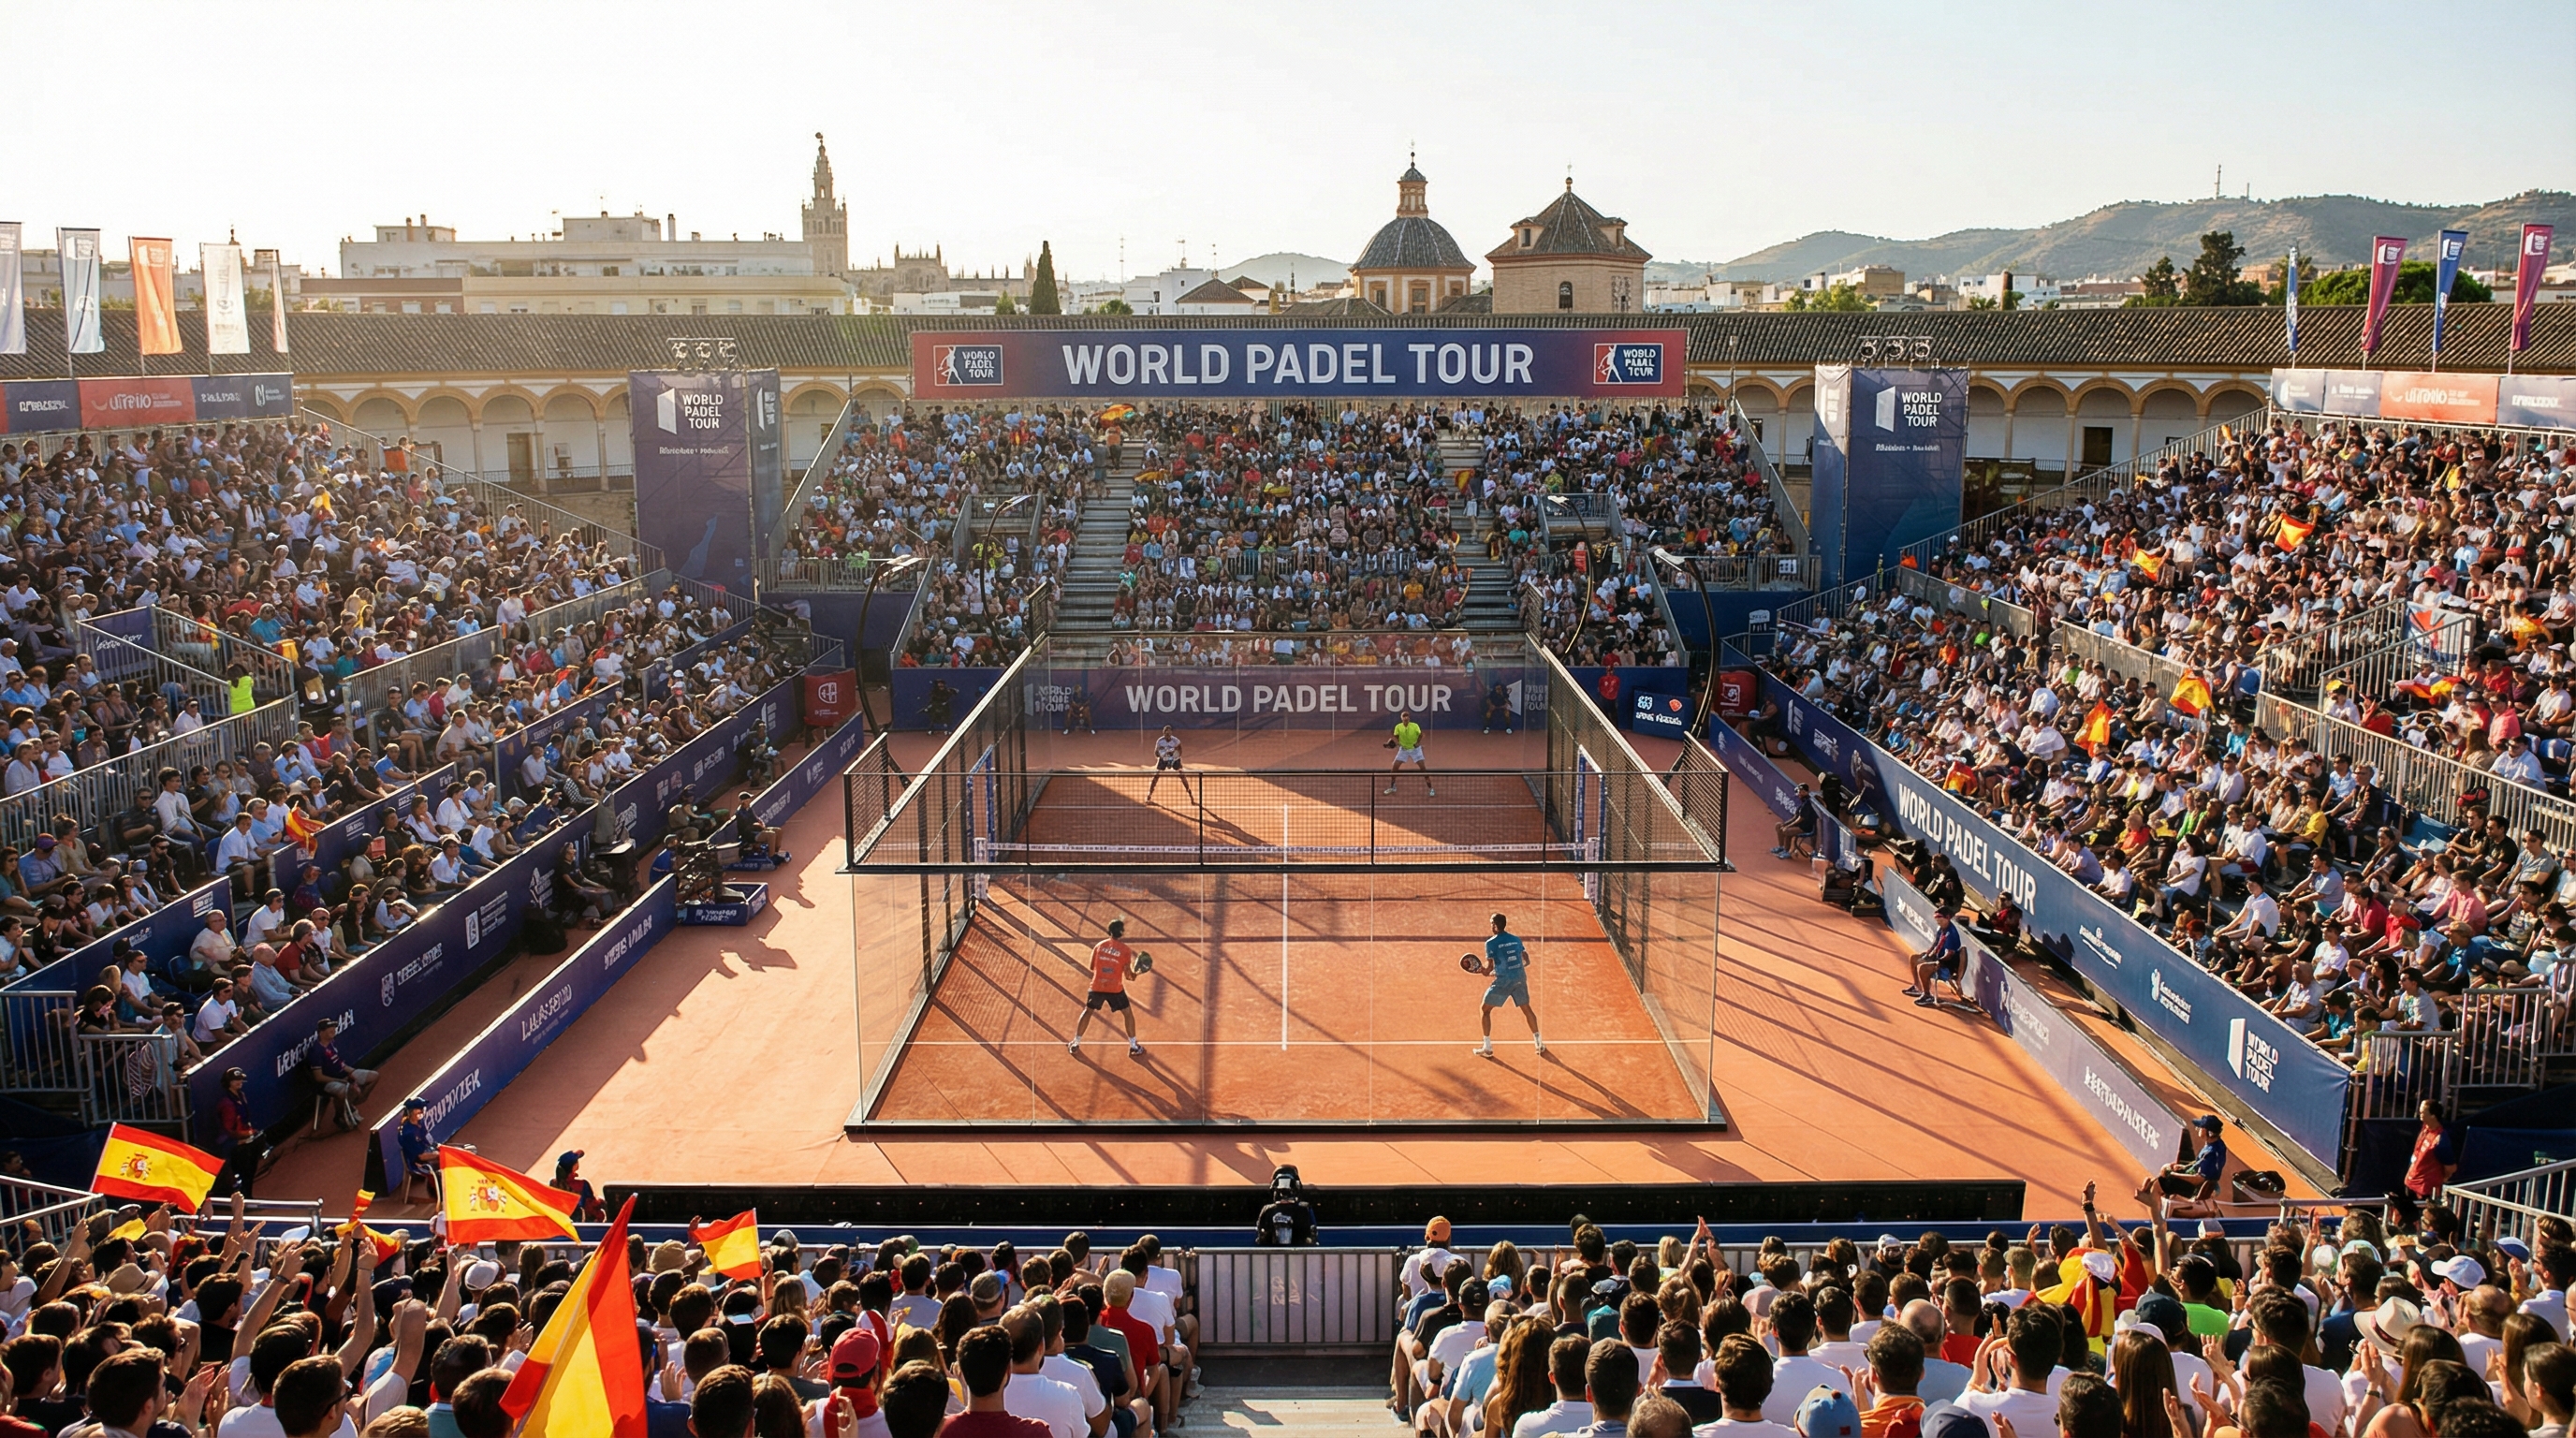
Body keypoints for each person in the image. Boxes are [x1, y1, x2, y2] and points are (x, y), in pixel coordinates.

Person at [1070, 917, 1146, 1058]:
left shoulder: (1099, 946)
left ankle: (1075, 1043)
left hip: (1097, 986)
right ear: (1121, 933)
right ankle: (1134, 1046)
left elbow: (1092, 967)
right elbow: (1128, 976)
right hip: (1115, 989)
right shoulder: (1125, 950)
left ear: (1109, 931)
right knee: (1128, 1014)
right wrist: (1135, 975)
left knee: (1088, 1011)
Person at [1474, 912, 1544, 1059]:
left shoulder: (1490, 943)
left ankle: (1487, 1047)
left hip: (1504, 981)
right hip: (1519, 977)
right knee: (1526, 1008)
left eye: (1491, 923)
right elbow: (1526, 960)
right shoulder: (1516, 939)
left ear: (1495, 925)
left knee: (1485, 1009)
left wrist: (1484, 971)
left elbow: (1488, 968)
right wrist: (1512, 970)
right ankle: (1539, 1043)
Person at [2135, 1115, 2228, 1211]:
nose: (2197, 1129)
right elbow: (2200, 1164)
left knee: (2157, 1185)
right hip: (2200, 1179)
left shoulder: (2211, 1153)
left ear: (2207, 1132)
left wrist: (2175, 1175)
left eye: (2201, 1127)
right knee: (2165, 1170)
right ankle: (2152, 1194)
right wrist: (2184, 1167)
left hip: (2195, 1187)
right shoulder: (2218, 1145)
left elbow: (2198, 1180)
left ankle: (2157, 1214)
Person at [305, 1017, 379, 1126]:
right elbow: (319, 1077)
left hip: (343, 1075)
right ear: (321, 1032)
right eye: (329, 1029)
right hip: (328, 1083)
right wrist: (341, 1081)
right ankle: (340, 1115)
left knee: (374, 1076)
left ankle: (352, 1103)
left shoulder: (332, 1043)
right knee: (344, 1090)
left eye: (333, 1028)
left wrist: (352, 1072)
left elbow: (340, 1064)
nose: (333, 1031)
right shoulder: (315, 1052)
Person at [1905, 910, 1966, 1009]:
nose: (1938, 923)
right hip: (1938, 958)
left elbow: (1949, 954)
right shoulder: (1941, 928)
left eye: (1940, 920)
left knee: (1923, 968)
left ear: (1948, 918)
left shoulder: (1952, 934)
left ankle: (1927, 995)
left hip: (1947, 965)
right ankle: (1917, 986)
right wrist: (1928, 954)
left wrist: (1939, 961)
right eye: (1937, 921)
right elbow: (1935, 943)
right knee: (1914, 958)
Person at [1388, 710, 1435, 797]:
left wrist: (1417, 743)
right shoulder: (1398, 727)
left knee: (1423, 769)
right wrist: (1398, 743)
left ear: (1409, 718)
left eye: (1407, 717)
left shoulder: (1415, 726)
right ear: (1402, 718)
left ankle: (1431, 789)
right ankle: (1393, 786)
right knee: (1394, 769)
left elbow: (1421, 735)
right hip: (1403, 750)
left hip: (1415, 749)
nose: (1406, 718)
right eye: (1404, 717)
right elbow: (1396, 736)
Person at [1145, 726, 1193, 804]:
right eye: (1166, 733)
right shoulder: (1160, 741)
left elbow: (1180, 750)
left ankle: (1189, 792)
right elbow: (1156, 753)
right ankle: (1149, 795)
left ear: (1171, 733)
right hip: (1163, 758)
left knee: (1182, 774)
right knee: (1156, 775)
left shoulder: (1176, 741)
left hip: (1174, 759)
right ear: (1164, 733)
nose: (1167, 735)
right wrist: (1163, 755)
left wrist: (1174, 757)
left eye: (1169, 733)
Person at [555, 1150, 608, 1221]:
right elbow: (591, 1207)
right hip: (582, 1222)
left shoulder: (553, 1183)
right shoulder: (582, 1184)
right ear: (574, 1166)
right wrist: (601, 1202)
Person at [1773, 785, 1817, 861]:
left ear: (1806, 792)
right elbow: (1795, 817)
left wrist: (1788, 826)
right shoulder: (1803, 803)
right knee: (1778, 825)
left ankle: (1787, 852)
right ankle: (1781, 847)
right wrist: (1785, 824)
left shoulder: (1808, 804)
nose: (1799, 794)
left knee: (1787, 831)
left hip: (1806, 828)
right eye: (1799, 792)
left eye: (1801, 792)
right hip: (1799, 825)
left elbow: (1800, 819)